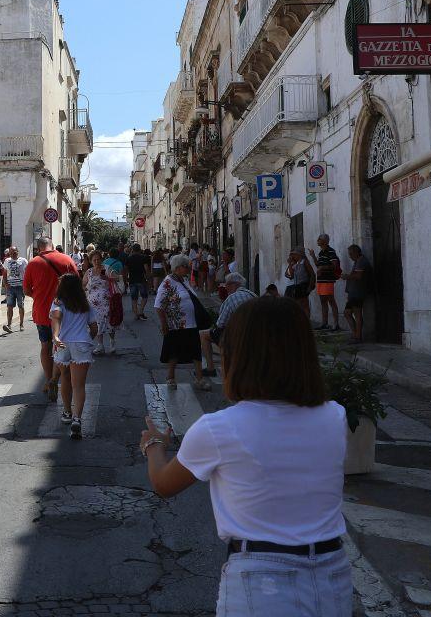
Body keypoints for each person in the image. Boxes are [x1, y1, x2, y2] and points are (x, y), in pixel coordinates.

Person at [139, 297, 350, 617]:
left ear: (239, 357)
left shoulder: (219, 428)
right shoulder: (335, 416)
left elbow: (164, 484)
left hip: (263, 581)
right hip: (332, 575)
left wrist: (154, 444)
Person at [23, 236, 78, 403]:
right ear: (52, 245)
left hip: (42, 313)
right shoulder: (67, 259)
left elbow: (26, 290)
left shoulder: (33, 263)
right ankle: (56, 378)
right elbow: (77, 285)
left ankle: (48, 381)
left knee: (45, 346)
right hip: (64, 313)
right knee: (61, 347)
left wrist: (39, 296)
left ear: (39, 248)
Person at [49, 273, 98, 440]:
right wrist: (87, 339)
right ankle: (77, 419)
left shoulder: (58, 302)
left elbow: (56, 317)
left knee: (65, 378)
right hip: (81, 344)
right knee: (79, 385)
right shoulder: (86, 304)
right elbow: (94, 327)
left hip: (62, 343)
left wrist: (56, 336)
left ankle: (67, 412)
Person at [154, 254, 211, 390]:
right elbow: (158, 305)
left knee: (196, 352)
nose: (188, 269)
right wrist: (164, 324)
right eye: (186, 266)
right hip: (175, 324)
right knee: (174, 352)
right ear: (178, 268)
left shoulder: (183, 280)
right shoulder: (168, 282)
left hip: (191, 324)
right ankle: (170, 377)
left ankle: (199, 379)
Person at [199, 273, 256, 377]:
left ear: (234, 285)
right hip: (254, 334)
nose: (226, 288)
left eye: (227, 285)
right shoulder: (253, 295)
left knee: (203, 334)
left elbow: (220, 324)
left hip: (237, 336)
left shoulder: (232, 298)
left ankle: (211, 368)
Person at [82, 249, 117, 355]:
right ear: (91, 261)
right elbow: (83, 284)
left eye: (98, 259)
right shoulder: (89, 272)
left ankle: (112, 343)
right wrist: (86, 289)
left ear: (101, 259)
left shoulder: (107, 268)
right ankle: (100, 345)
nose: (96, 261)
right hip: (93, 304)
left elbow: (117, 279)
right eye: (94, 260)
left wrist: (107, 278)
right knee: (98, 323)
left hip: (107, 301)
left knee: (109, 323)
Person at [309, 234, 342, 331]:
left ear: (325, 241)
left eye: (319, 239)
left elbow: (334, 266)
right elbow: (317, 265)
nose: (317, 240)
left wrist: (323, 268)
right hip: (321, 280)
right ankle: (325, 323)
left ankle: (336, 324)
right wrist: (313, 256)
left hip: (327, 279)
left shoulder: (330, 251)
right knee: (323, 301)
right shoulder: (321, 253)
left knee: (331, 300)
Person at [342, 244, 372, 343]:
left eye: (350, 253)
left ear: (356, 252)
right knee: (347, 313)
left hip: (358, 292)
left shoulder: (361, 261)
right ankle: (355, 334)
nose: (349, 256)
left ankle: (358, 336)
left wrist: (347, 276)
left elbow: (358, 276)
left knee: (357, 314)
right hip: (353, 293)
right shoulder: (357, 262)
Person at [2, 246, 29, 333]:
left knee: (21, 305)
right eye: (11, 251)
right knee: (9, 306)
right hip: (11, 287)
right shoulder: (7, 261)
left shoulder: (23, 261)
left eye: (15, 251)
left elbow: (28, 272)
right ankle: (9, 325)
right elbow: (5, 273)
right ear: (9, 253)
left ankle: (21, 324)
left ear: (17, 251)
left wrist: (27, 284)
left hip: (20, 287)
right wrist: (5, 284)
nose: (13, 252)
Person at [284, 247, 315, 316]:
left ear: (299, 254)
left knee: (304, 305)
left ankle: (307, 322)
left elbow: (312, 274)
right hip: (297, 286)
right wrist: (290, 264)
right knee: (299, 305)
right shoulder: (296, 264)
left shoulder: (304, 262)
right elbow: (291, 275)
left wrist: (310, 286)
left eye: (294, 254)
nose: (293, 256)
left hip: (303, 285)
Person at [123, 243, 151, 320]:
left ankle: (136, 314)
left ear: (133, 250)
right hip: (141, 280)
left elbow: (125, 270)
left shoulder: (129, 258)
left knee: (134, 298)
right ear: (139, 249)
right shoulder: (143, 257)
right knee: (144, 297)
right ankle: (140, 311)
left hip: (132, 280)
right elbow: (146, 269)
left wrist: (125, 280)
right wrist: (149, 279)